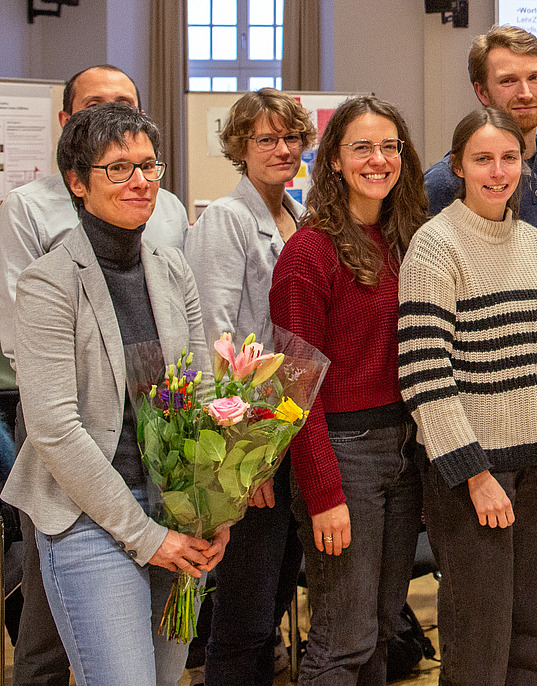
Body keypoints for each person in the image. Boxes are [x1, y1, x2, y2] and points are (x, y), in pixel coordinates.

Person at [0, 102, 224, 685]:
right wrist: (146, 536)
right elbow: (54, 428)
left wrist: (212, 507)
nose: (142, 181)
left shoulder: (172, 267)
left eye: (149, 166)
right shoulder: (48, 281)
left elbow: (195, 396)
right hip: (87, 517)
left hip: (174, 506)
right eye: (119, 168)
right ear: (77, 183)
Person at [400, 107, 537, 685]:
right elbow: (424, 373)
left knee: (527, 635)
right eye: (482, 159)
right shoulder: (434, 246)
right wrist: (476, 476)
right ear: (457, 167)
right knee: (479, 639)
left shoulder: (533, 243)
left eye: (509, 158)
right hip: (471, 475)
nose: (498, 171)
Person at [268, 95, 427, 686]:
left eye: (390, 147)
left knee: (383, 630)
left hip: (403, 452)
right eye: (362, 147)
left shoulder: (407, 238)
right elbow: (292, 391)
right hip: (342, 454)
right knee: (343, 638)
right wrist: (324, 493)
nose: (379, 160)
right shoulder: (308, 253)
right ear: (333, 160)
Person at [185, 87, 315, 686]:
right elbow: (211, 338)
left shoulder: (300, 213)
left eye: (291, 137)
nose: (282, 149)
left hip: (295, 430)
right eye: (266, 138)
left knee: (276, 593)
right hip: (250, 443)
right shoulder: (226, 221)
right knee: (244, 613)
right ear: (240, 146)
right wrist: (241, 456)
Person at [424, 25, 537, 254]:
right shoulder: (445, 179)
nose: (526, 93)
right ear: (482, 93)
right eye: (508, 81)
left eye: (534, 78)